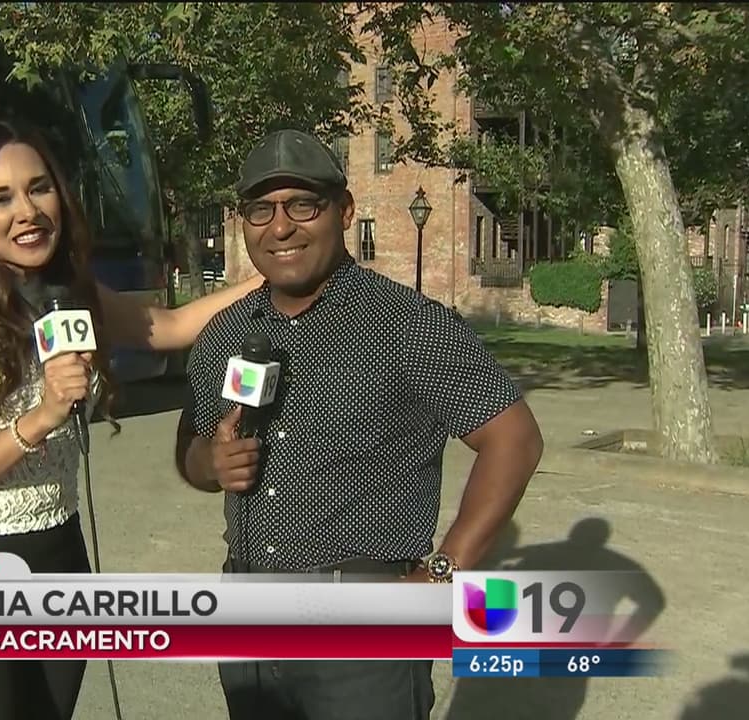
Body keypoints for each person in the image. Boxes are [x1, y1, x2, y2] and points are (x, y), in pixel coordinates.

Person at [0, 118, 263, 720]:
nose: (27, 212)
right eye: (0, 198)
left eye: (38, 188)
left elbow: (168, 327)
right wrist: (43, 415)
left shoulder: (70, 294)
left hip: (57, 552)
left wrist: (272, 276)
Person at [173, 129, 544, 720]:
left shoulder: (408, 324)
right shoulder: (226, 332)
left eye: (302, 205)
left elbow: (514, 440)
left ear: (344, 212)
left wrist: (443, 576)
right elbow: (191, 448)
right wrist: (209, 463)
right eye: (261, 210)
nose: (280, 227)